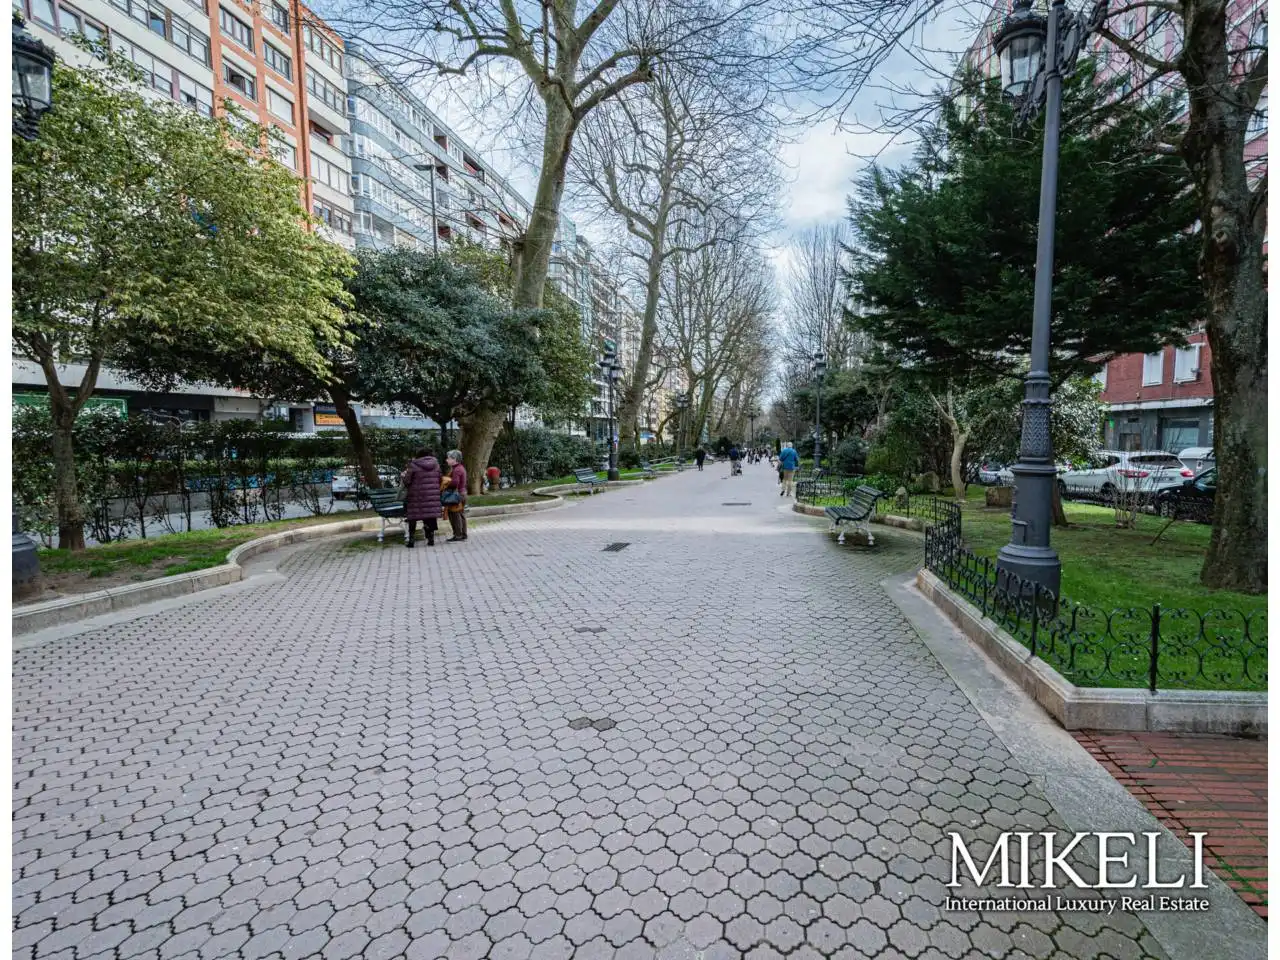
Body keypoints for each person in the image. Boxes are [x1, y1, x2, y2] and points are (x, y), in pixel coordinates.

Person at [401, 449, 442, 547]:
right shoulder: (436, 464)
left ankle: (411, 541)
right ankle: (431, 539)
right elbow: (440, 479)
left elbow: (407, 481)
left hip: (416, 496)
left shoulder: (413, 465)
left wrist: (403, 476)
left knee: (413, 517)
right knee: (430, 516)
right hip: (431, 495)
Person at [442, 449, 468, 542]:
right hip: (462, 493)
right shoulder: (460, 468)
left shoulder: (457, 470)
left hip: (456, 495)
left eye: (448, 458)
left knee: (455, 515)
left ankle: (458, 535)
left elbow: (455, 483)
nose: (446, 460)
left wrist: (445, 483)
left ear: (455, 459)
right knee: (460, 514)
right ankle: (463, 534)